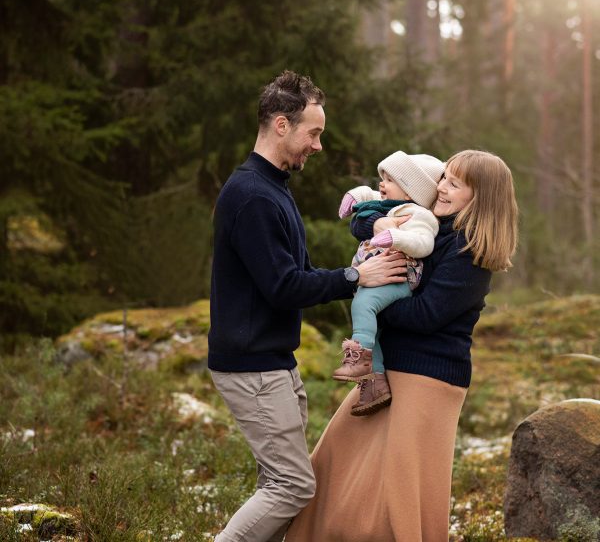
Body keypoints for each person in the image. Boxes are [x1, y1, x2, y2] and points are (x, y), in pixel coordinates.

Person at [207, 70, 408, 542]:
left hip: (272, 360)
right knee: (292, 486)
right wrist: (358, 276)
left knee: (278, 485)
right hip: (252, 366)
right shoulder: (253, 196)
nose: (318, 145)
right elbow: (283, 287)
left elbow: (297, 275)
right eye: (313, 132)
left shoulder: (272, 187)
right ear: (282, 125)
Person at [285, 149, 519, 542]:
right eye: (443, 177)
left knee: (400, 489)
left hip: (428, 378)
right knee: (335, 462)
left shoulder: (470, 255)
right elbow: (377, 221)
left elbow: (426, 315)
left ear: (479, 198)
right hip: (390, 369)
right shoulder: (434, 230)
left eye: (454, 184)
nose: (441, 187)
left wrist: (370, 292)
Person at [332, 151, 444, 417]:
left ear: (409, 191)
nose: (381, 184)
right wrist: (353, 198)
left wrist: (393, 237)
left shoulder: (417, 214)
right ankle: (375, 386)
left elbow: (423, 242)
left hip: (398, 278)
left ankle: (359, 359)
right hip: (379, 278)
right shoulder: (388, 203)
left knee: (363, 305)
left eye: (389, 179)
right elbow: (366, 193)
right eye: (382, 177)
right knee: (376, 331)